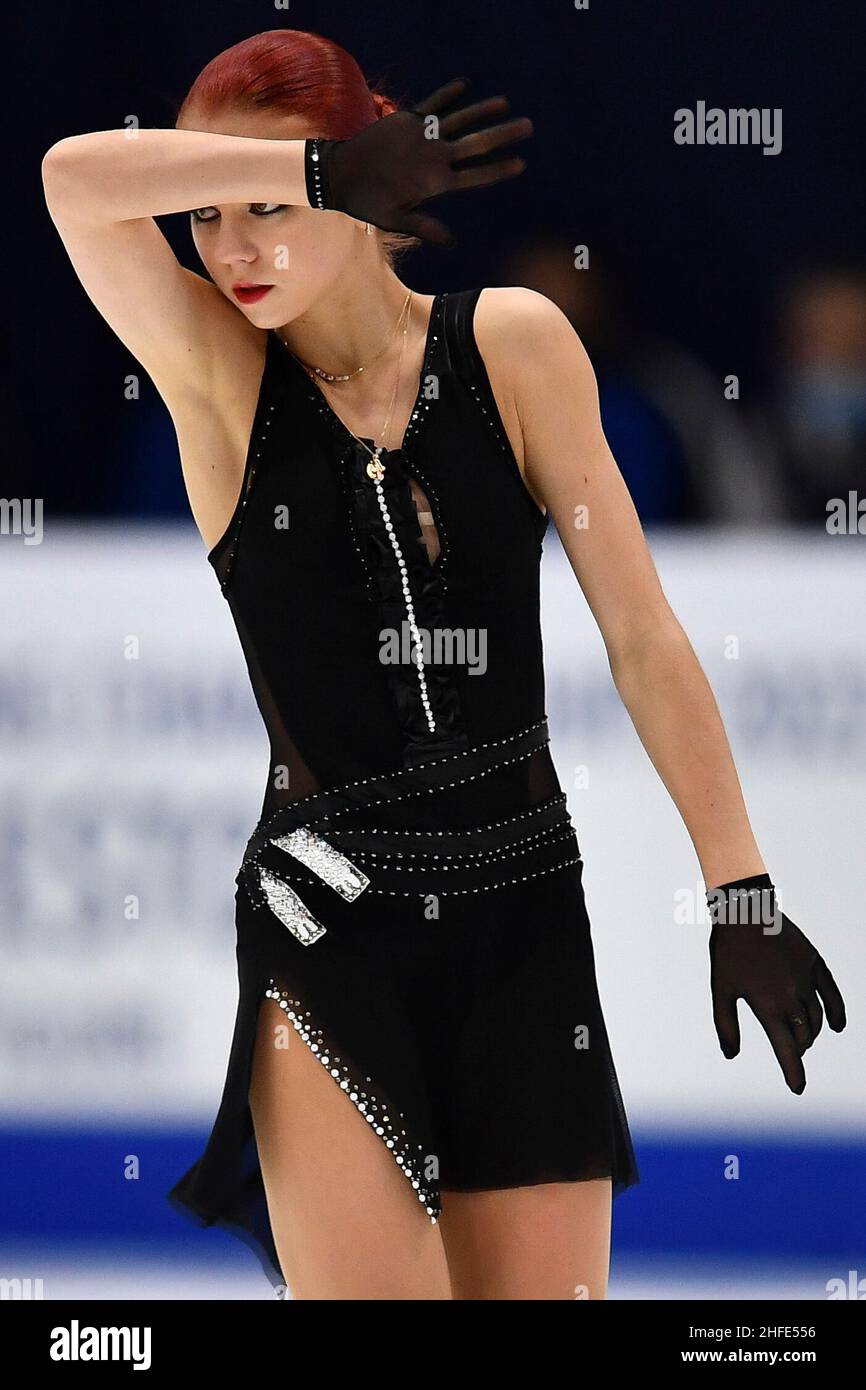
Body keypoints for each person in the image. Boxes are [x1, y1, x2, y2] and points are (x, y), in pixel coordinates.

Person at [41, 28, 846, 1301]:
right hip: (332, 924)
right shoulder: (217, 380)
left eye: (271, 208)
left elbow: (640, 632)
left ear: (373, 197)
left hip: (525, 923)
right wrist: (314, 168)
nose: (234, 248)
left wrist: (736, 883)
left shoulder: (513, 344)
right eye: (207, 214)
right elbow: (69, 178)